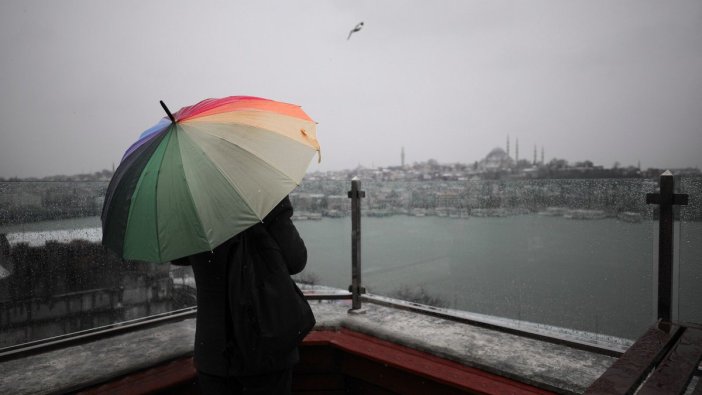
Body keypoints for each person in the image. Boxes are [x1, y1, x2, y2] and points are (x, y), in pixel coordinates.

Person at [172, 196, 311, 395]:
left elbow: (178, 256)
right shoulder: (262, 194)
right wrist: (278, 206)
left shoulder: (192, 199)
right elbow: (296, 259)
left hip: (214, 351)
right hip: (266, 346)